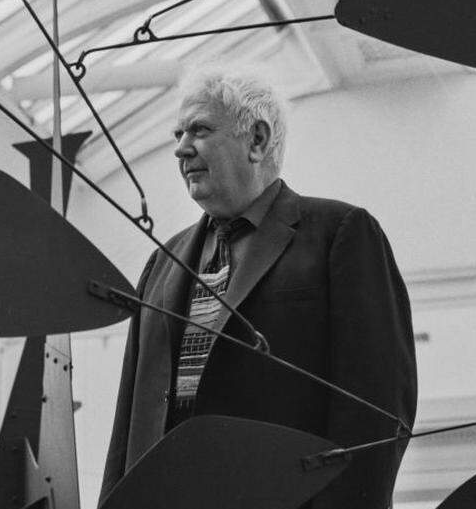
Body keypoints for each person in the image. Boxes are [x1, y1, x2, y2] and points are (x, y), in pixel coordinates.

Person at [100, 67, 417, 509]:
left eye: (200, 130)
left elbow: (376, 410)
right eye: (178, 133)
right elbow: (128, 421)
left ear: (257, 140)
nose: (180, 148)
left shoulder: (339, 234)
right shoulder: (161, 263)